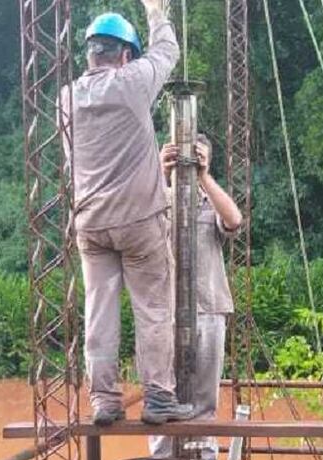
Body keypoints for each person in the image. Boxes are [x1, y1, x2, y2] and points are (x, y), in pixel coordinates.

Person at [65, 1, 194, 426]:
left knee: (99, 312)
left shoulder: (67, 97)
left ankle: (104, 400)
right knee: (152, 309)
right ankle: (158, 397)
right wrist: (156, 11)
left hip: (90, 222)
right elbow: (167, 51)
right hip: (139, 220)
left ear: (90, 53)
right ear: (124, 55)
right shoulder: (133, 81)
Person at [149, 133, 242, 458]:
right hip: (162, 314)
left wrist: (204, 175)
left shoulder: (209, 200)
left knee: (204, 399)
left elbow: (234, 220)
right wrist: (159, 171)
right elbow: (134, 221)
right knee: (162, 397)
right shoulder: (158, 199)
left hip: (209, 308)